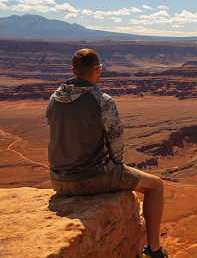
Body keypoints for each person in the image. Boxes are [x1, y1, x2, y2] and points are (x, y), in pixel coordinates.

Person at [46, 48, 168, 258]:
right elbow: (116, 141)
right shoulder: (102, 100)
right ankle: (154, 250)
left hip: (58, 180)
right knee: (156, 185)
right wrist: (117, 166)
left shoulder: (54, 98)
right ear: (98, 70)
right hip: (92, 178)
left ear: (73, 70)